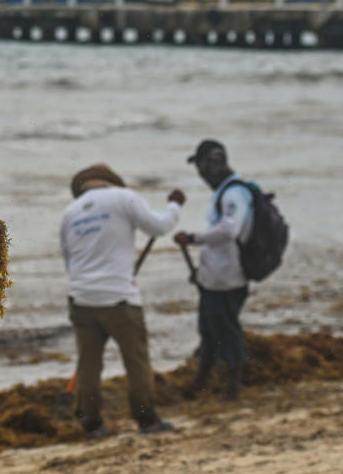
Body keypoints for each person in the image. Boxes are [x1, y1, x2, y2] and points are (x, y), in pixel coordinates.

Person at [60, 163, 184, 439]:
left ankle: (91, 424)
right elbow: (160, 226)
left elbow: (70, 262)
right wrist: (174, 205)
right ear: (112, 181)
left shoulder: (70, 213)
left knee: (88, 364)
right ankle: (147, 420)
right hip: (120, 300)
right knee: (136, 361)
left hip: (81, 299)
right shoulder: (123, 198)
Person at [175, 139, 254, 401]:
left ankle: (232, 388)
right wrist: (202, 272)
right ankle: (201, 381)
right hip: (216, 277)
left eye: (201, 166)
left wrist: (194, 238)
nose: (200, 173)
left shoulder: (234, 193)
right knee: (209, 329)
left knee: (226, 330)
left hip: (228, 278)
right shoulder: (224, 191)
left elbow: (230, 230)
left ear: (214, 164)